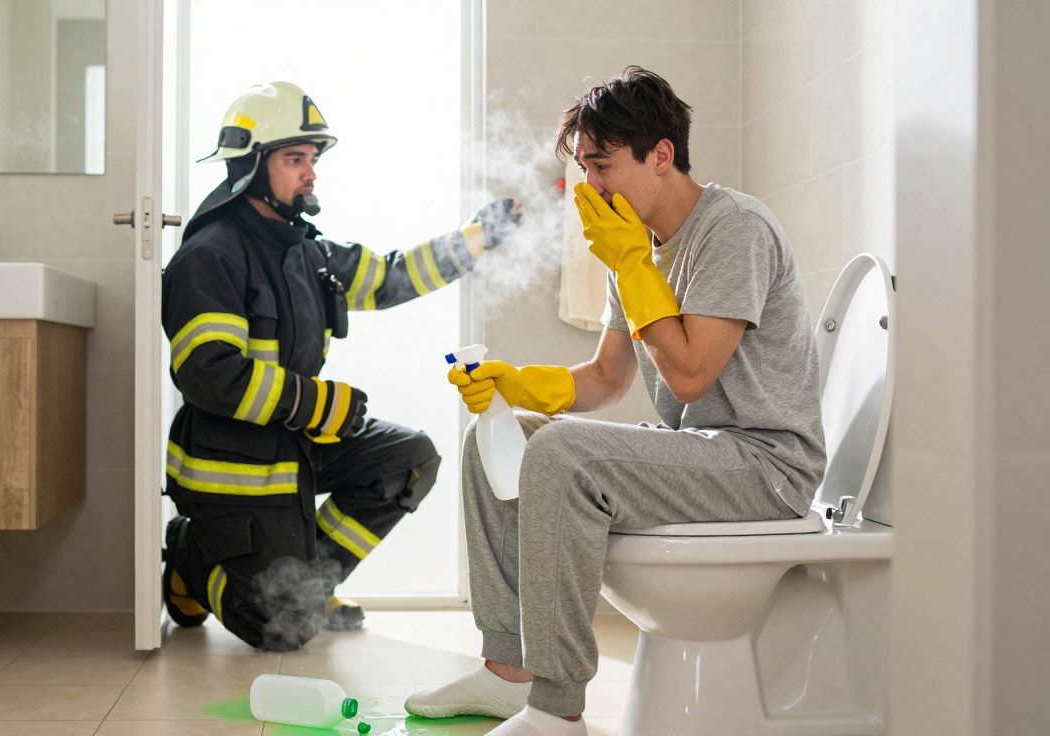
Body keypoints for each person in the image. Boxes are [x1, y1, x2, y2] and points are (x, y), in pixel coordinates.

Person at [405, 66, 827, 735]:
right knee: (502, 435)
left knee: (566, 455)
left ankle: (556, 710)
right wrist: (515, 385)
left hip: (769, 466)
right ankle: (507, 674)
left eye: (602, 165)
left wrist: (634, 268)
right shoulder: (632, 244)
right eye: (584, 169)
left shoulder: (733, 230)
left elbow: (688, 377)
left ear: (661, 155)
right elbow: (606, 377)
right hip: (709, 453)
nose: (591, 186)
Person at [160, 81, 521, 652]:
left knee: (409, 459)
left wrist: (479, 238)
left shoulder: (305, 250)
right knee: (281, 632)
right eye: (295, 159)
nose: (311, 172)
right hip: (232, 463)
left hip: (291, 443)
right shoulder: (212, 255)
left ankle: (308, 583)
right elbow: (210, 374)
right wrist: (317, 403)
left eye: (313, 159)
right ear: (251, 165)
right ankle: (188, 557)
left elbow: (391, 276)